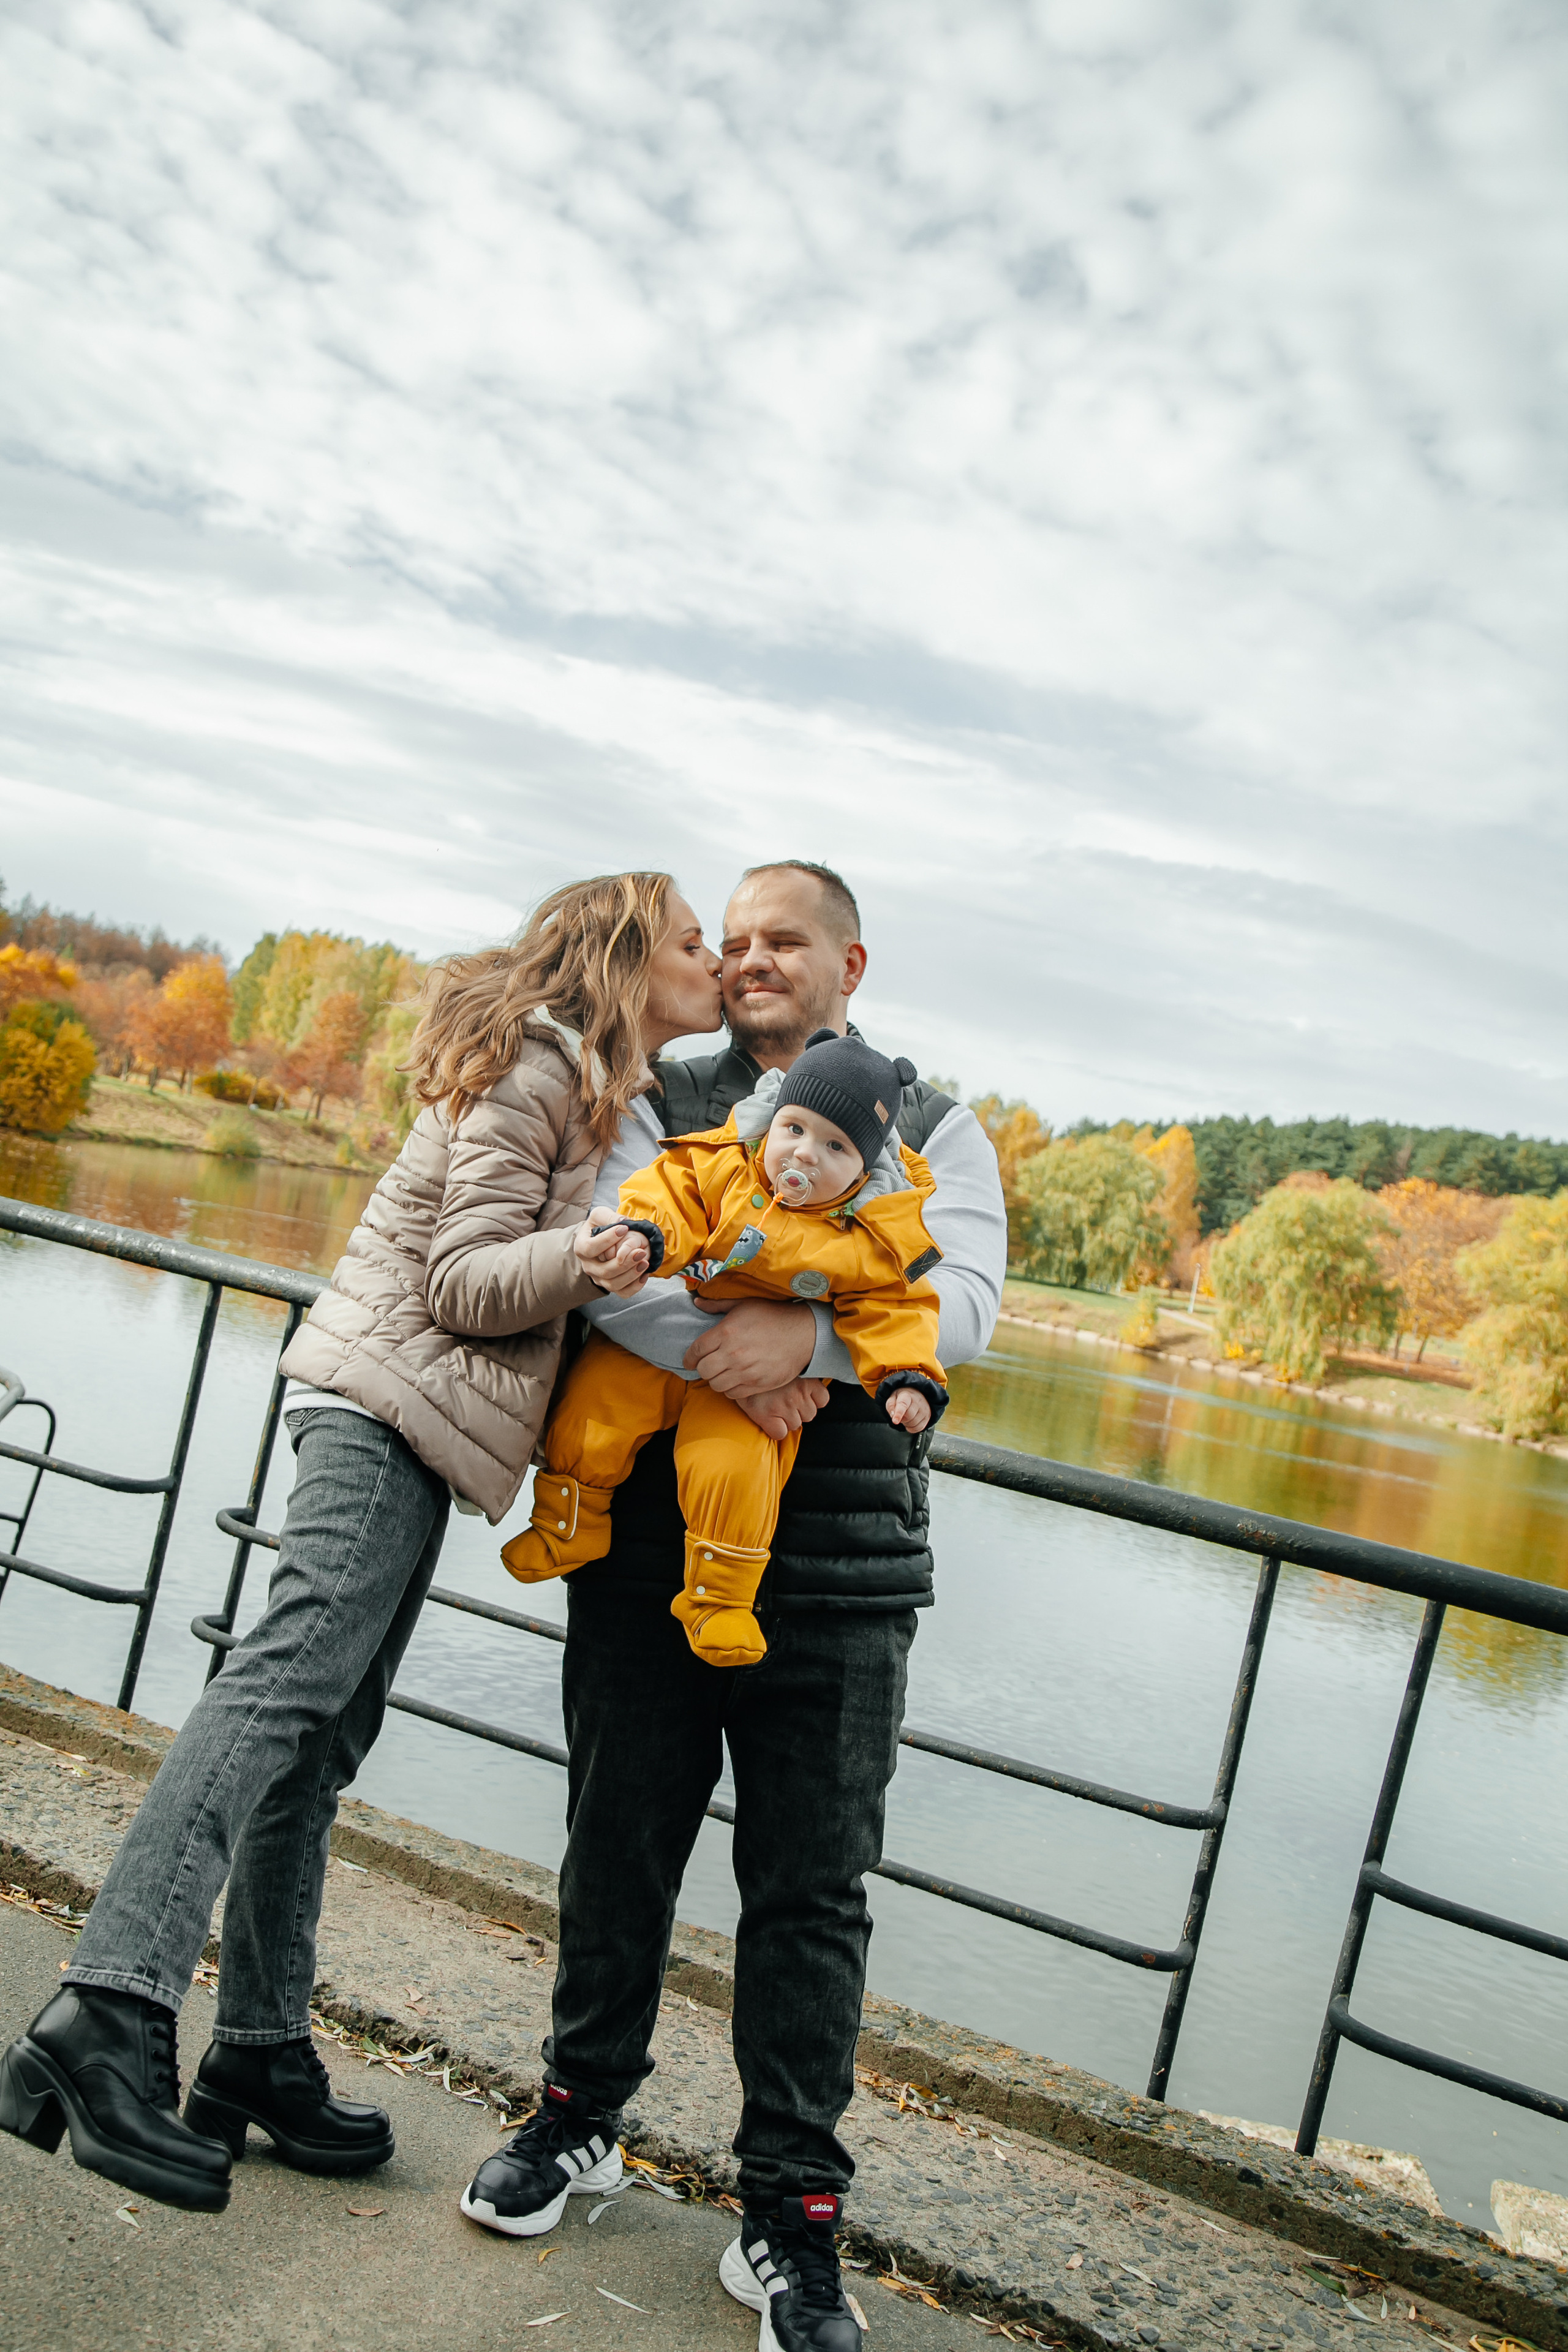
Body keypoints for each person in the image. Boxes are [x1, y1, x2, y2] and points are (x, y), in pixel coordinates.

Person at [0, 872, 722, 2214]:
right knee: (279, 1690)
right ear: (628, 957)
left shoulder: (575, 1079)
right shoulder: (538, 1068)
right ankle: (109, 2006)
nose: (715, 958)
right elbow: (461, 1281)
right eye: (693, 940)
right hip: (384, 1409)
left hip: (410, 1421)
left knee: (316, 1741)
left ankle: (259, 2048)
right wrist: (594, 1256)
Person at [461, 861, 1007, 2352]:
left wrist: (807, 1343)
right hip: (650, 1550)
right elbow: (611, 1269)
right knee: (615, 1841)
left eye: (783, 941)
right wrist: (750, 1343)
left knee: (811, 1891)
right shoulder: (663, 1094)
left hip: (843, 1574)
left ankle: (789, 2213)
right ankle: (578, 2115)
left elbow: (961, 1303)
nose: (750, 959)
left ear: (850, 964)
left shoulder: (938, 1121)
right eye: (736, 938)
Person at [501, 1028, 948, 1668]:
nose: (805, 1153)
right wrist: (647, 1236)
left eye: (836, 1146)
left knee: (734, 1470)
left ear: (865, 1166)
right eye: (795, 1128)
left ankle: (719, 1601)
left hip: (756, 1385)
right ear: (775, 1118)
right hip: (670, 1327)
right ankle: (566, 1525)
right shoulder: (726, 1162)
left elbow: (897, 1310)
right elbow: (671, 1194)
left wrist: (907, 1376)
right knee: (594, 1408)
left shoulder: (870, 1237)